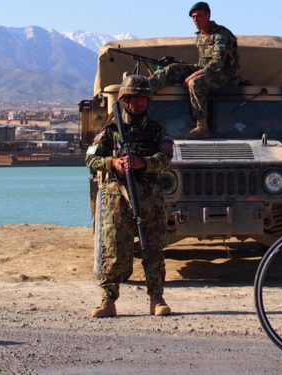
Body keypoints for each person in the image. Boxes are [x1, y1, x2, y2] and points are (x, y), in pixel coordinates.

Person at [85, 74, 174, 318]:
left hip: (149, 197)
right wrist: (113, 162)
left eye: (144, 97)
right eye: (135, 98)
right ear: (125, 100)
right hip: (117, 198)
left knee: (152, 247)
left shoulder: (158, 129)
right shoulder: (112, 130)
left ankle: (156, 298)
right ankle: (108, 300)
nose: (141, 102)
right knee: (113, 248)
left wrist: (142, 163)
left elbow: (166, 157)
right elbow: (90, 158)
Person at [147, 1, 240, 140]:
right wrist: (195, 71)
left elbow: (218, 61)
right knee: (173, 69)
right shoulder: (200, 36)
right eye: (193, 17)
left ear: (208, 15)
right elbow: (203, 63)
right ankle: (144, 90)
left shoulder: (221, 34)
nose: (196, 20)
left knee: (196, 83)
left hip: (224, 72)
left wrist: (194, 75)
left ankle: (202, 127)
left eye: (199, 16)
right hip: (205, 68)